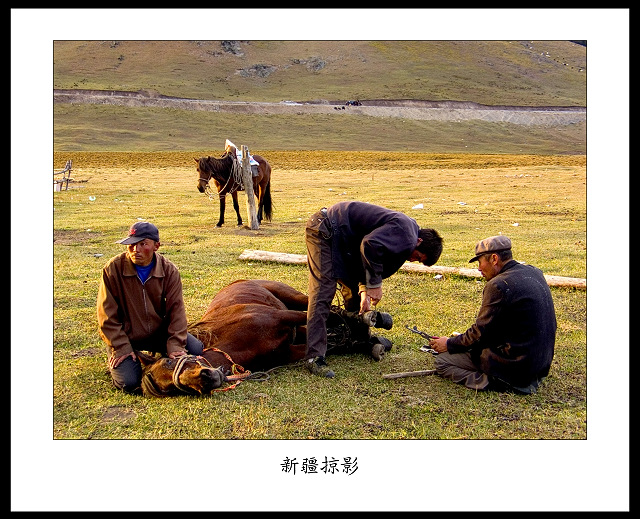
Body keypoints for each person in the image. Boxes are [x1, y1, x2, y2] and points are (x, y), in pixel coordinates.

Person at [305, 201, 443, 378]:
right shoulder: (407, 235)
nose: (412, 260)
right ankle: (314, 357)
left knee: (352, 290)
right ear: (419, 241)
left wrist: (364, 289)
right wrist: (374, 285)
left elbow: (363, 254)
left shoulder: (406, 229)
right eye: (418, 257)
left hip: (340, 236)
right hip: (324, 229)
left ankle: (358, 340)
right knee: (323, 292)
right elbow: (370, 244)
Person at [428, 235, 556, 394]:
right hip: (540, 365)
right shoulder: (534, 272)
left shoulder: (498, 285)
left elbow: (479, 334)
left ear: (494, 259)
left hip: (516, 365)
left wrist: (449, 344)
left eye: (480, 262)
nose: (479, 268)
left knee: (443, 362)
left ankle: (494, 383)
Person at [97, 221, 204, 393]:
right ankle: (130, 356)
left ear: (156, 246)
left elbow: (176, 311)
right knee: (129, 383)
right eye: (131, 245)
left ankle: (157, 356)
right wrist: (121, 346)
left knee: (196, 349)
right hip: (126, 335)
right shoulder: (113, 269)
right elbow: (106, 316)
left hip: (157, 332)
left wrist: (176, 345)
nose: (135, 250)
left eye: (142, 244)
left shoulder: (169, 271)